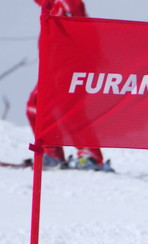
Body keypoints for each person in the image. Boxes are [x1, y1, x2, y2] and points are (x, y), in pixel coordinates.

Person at [27, 0, 111, 171]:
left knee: (69, 109)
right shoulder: (52, 5)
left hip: (71, 64)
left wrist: (88, 61)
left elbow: (82, 28)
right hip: (54, 65)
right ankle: (52, 153)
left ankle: (90, 154)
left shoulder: (68, 3)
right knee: (37, 106)